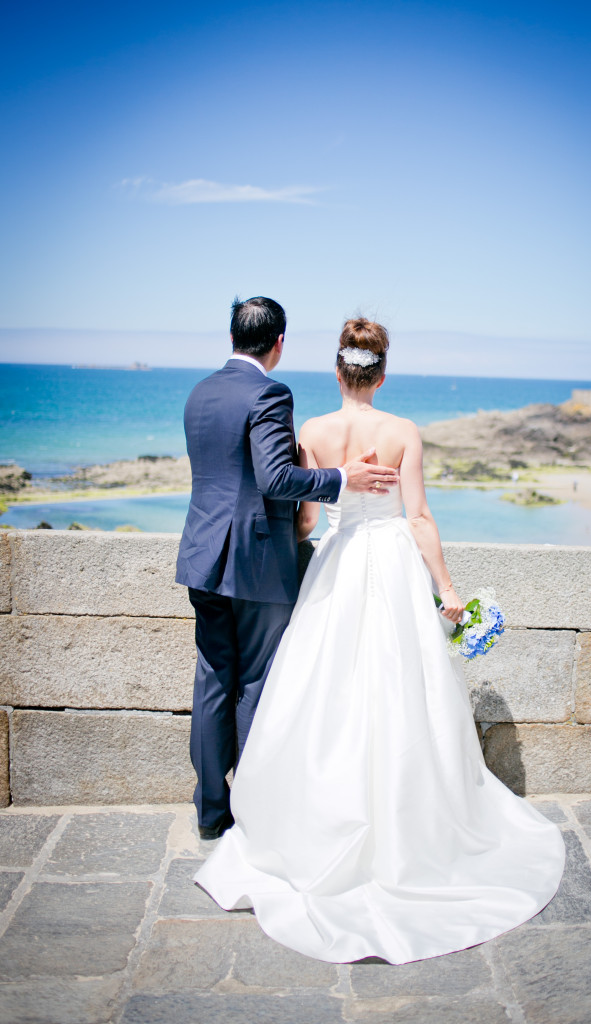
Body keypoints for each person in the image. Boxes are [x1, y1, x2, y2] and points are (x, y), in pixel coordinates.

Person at [194, 317, 565, 963]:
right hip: (392, 565)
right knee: (402, 690)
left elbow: (308, 515)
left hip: (336, 561)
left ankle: (297, 817)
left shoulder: (311, 430)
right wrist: (447, 589)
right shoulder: (401, 432)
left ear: (338, 371)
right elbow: (417, 516)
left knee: (323, 692)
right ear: (381, 372)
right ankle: (410, 823)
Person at [175, 299, 399, 839]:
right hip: (254, 562)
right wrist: (341, 479)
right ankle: (254, 811)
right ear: (279, 343)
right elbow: (275, 479)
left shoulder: (199, 391)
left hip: (203, 558)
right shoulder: (270, 392)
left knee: (211, 682)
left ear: (233, 335)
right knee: (255, 683)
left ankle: (210, 814)